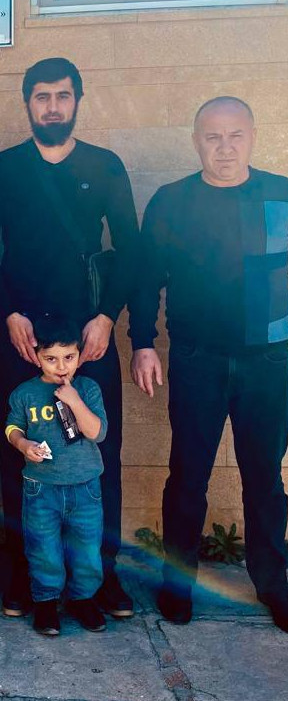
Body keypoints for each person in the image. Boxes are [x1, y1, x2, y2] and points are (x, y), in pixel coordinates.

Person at [0, 57, 140, 620]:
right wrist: (8, 313)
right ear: (27, 103)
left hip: (87, 337)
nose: (52, 106)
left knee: (99, 451)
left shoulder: (105, 164)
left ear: (77, 100)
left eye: (62, 96)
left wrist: (108, 317)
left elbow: (131, 249)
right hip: (21, 336)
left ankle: (102, 575)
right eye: (41, 96)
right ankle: (27, 573)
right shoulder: (2, 169)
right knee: (19, 449)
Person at [129, 96, 288, 632]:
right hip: (197, 359)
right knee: (188, 475)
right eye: (213, 137)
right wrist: (143, 342)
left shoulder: (281, 194)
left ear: (253, 136)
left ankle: (273, 582)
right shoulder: (172, 202)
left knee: (264, 476)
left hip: (269, 361)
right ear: (196, 141)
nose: (224, 147)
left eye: (235, 135)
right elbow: (146, 279)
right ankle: (179, 583)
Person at [5, 316, 109, 636]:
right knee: (43, 546)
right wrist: (23, 444)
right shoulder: (25, 393)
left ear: (79, 354)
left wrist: (74, 400)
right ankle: (46, 601)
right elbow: (12, 427)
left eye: (68, 357)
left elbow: (98, 432)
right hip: (41, 487)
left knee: (86, 547)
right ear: (36, 356)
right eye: (50, 359)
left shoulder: (88, 389)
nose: (61, 366)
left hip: (85, 487)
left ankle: (83, 598)